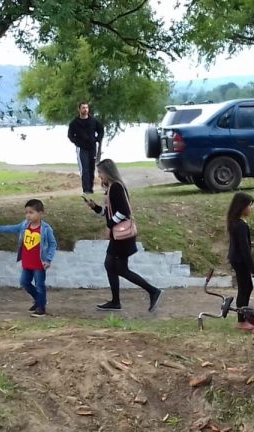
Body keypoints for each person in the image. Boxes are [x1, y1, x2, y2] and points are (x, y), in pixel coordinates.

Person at [85, 159, 163, 312]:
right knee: (112, 266)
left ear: (108, 172)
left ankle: (152, 291)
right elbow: (110, 213)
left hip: (122, 236)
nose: (99, 176)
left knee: (118, 268)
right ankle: (117, 301)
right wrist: (95, 208)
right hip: (120, 236)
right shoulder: (112, 188)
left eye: (100, 172)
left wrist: (109, 225)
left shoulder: (116, 187)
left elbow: (124, 212)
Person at [0, 199, 57, 317]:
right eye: (26, 212)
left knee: (39, 285)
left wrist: (48, 259)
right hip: (27, 263)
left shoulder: (46, 229)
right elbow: (11, 228)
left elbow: (53, 244)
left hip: (39, 264)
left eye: (31, 212)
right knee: (24, 282)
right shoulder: (24, 225)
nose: (28, 215)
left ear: (41, 213)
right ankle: (39, 300)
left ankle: (41, 308)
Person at [227, 192, 254, 331]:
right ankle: (241, 320)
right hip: (240, 260)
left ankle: (244, 316)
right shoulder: (240, 225)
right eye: (249, 206)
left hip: (237, 259)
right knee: (244, 288)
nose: (250, 209)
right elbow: (244, 249)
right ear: (242, 207)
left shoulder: (236, 222)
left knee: (246, 287)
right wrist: (252, 267)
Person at [68, 101, 104, 195]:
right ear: (79, 109)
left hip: (92, 148)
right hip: (81, 149)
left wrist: (97, 139)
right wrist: (77, 142)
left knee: (91, 168)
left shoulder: (93, 121)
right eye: (83, 108)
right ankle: (86, 190)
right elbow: (70, 135)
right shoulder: (74, 122)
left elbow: (101, 130)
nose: (85, 109)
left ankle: (90, 189)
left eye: (86, 108)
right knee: (85, 169)